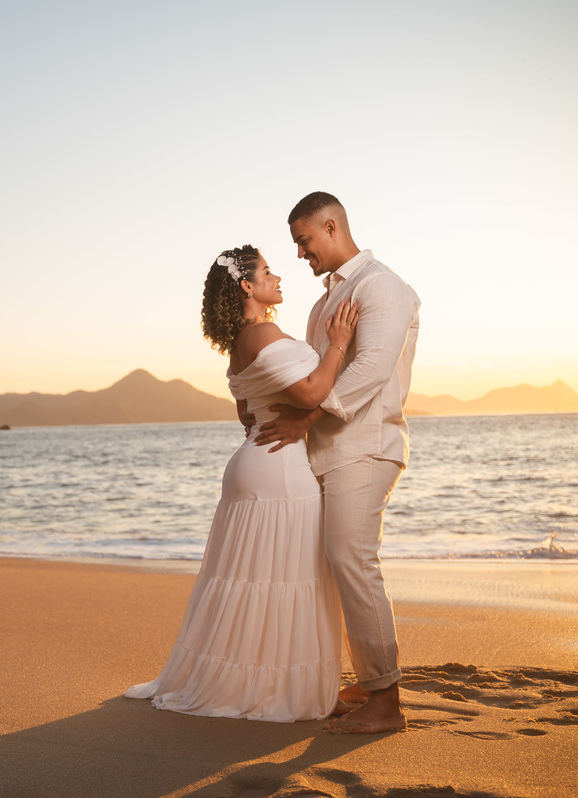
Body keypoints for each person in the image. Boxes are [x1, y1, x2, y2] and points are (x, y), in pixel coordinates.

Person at [125, 244, 358, 722]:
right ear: (247, 286)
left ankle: (268, 681)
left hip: (255, 461)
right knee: (290, 578)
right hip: (278, 468)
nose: (278, 278)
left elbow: (246, 413)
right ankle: (286, 689)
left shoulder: (240, 343)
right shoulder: (262, 333)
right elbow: (312, 392)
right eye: (268, 271)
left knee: (258, 579)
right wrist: (338, 344)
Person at [255, 192, 420, 734]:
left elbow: (370, 369)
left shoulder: (381, 286)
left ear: (331, 227)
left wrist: (304, 420)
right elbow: (315, 377)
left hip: (365, 446)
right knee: (333, 567)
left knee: (352, 560)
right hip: (326, 452)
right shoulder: (323, 303)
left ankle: (386, 701)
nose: (300, 253)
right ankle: (370, 681)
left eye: (304, 241)